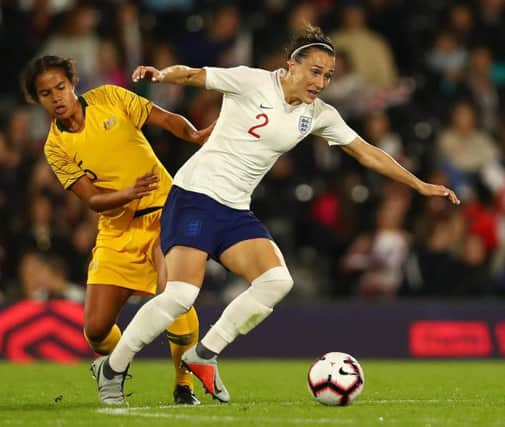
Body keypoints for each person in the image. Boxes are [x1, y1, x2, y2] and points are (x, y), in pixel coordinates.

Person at [91, 25, 461, 404]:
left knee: (276, 281)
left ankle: (204, 355)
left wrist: (418, 185)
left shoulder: (319, 114)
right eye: (315, 71)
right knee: (181, 295)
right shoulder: (252, 82)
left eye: (329, 75)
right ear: (291, 66)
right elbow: (194, 75)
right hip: (195, 195)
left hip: (235, 208)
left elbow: (366, 152)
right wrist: (162, 74)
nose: (322, 81)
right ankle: (113, 367)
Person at [20, 55, 214, 405]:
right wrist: (127, 193)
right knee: (95, 330)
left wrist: (195, 134)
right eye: (46, 93)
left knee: (173, 295)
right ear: (38, 100)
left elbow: (166, 119)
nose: (57, 97)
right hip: (117, 229)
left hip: (163, 213)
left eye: (60, 87)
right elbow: (92, 200)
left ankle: (183, 385)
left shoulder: (110, 97)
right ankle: (114, 365)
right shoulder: (55, 146)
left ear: (72, 83)